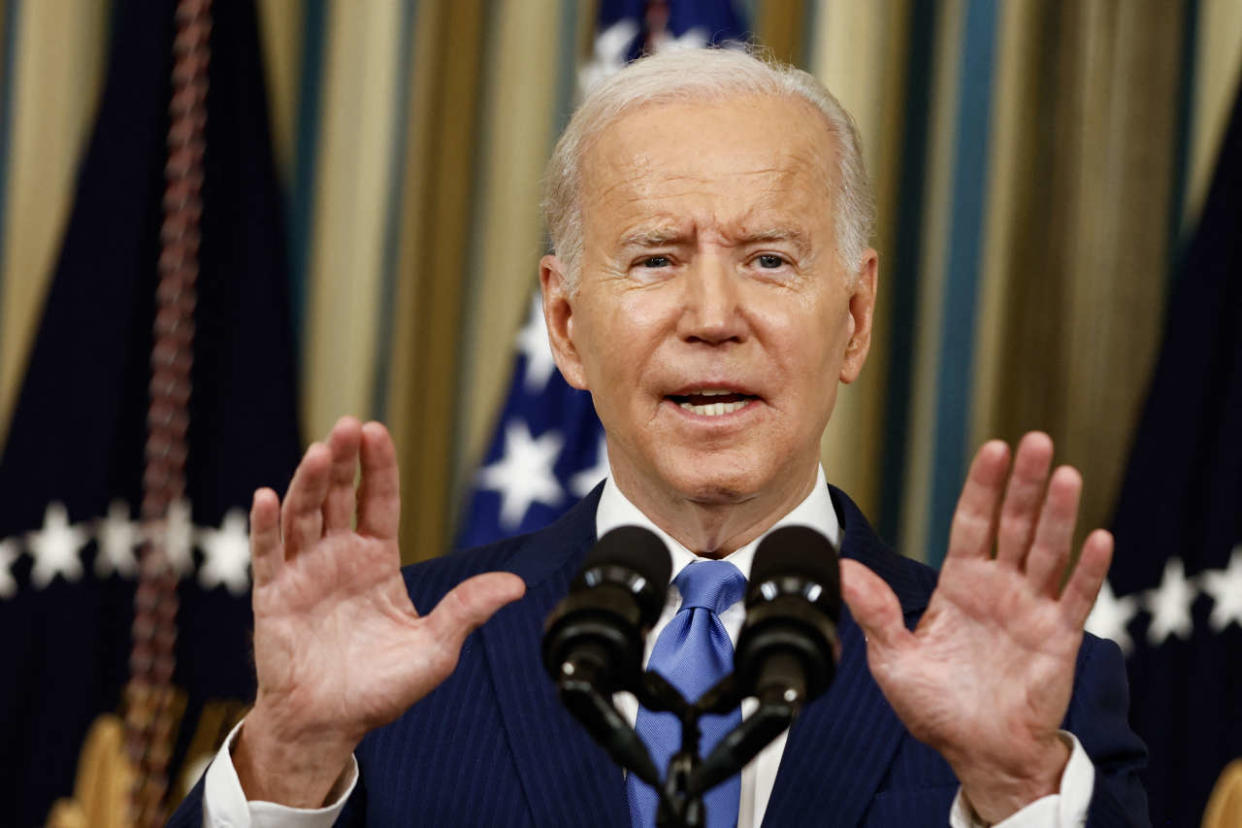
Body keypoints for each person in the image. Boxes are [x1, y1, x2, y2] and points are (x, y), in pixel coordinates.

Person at [172, 49, 1146, 826]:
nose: (713, 315)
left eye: (769, 259)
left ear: (853, 319)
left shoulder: (1029, 687)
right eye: (655, 259)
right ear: (564, 323)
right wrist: (291, 763)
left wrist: (1019, 796)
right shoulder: (394, 664)